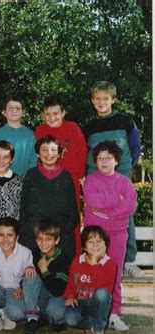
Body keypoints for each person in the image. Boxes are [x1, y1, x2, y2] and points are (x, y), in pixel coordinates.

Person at [83, 81, 142, 277]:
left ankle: (128, 261)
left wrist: (124, 169)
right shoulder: (89, 126)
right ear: (92, 101)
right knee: (98, 214)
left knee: (124, 213)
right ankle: (97, 256)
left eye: (106, 99)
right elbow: (85, 152)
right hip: (95, 176)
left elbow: (135, 148)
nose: (101, 102)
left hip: (120, 174)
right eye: (98, 99)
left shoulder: (125, 121)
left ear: (113, 100)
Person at [83, 141, 137, 332]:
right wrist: (115, 199)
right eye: (100, 158)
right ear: (95, 161)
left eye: (108, 158)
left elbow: (130, 206)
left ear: (116, 161)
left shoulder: (124, 182)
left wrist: (107, 211)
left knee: (115, 273)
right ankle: (93, 315)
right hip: (95, 236)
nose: (104, 161)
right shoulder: (90, 180)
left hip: (118, 234)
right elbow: (92, 200)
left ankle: (114, 314)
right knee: (93, 272)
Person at [35, 95, 87, 254]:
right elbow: (39, 156)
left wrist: (79, 176)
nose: (52, 118)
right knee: (48, 221)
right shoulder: (40, 130)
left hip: (70, 181)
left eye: (56, 114)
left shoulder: (73, 128)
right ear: (43, 114)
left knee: (72, 221)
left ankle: (74, 257)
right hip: (48, 181)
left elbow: (82, 152)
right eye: (48, 114)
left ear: (63, 113)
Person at [19, 135, 79, 261]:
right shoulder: (31, 175)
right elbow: (24, 207)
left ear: (59, 154)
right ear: (38, 154)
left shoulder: (66, 177)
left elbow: (72, 210)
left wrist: (58, 231)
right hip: (34, 232)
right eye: (44, 150)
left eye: (53, 149)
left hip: (60, 233)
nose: (49, 153)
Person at [64, 225, 117, 334]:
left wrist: (94, 262)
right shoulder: (77, 261)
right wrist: (70, 296)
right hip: (82, 302)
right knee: (69, 318)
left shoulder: (110, 263)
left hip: (99, 303)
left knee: (102, 294)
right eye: (91, 242)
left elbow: (102, 289)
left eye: (99, 241)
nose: (95, 245)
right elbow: (71, 284)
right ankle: (90, 324)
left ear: (105, 244)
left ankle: (99, 330)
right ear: (84, 246)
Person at [32, 219, 70, 333]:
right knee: (31, 277)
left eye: (48, 239)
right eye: (40, 239)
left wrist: (44, 270)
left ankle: (59, 320)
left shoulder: (62, 259)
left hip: (57, 295)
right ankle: (42, 316)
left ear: (57, 240)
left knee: (55, 311)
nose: (43, 243)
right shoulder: (35, 254)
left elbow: (58, 291)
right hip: (43, 293)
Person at [0, 96, 36, 177]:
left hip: (25, 181)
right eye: (10, 108)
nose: (14, 111)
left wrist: (23, 178)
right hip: (2, 179)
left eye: (17, 108)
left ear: (23, 112)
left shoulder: (30, 135)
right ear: (4, 113)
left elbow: (33, 161)